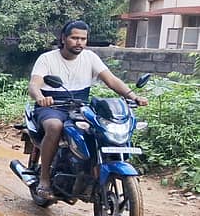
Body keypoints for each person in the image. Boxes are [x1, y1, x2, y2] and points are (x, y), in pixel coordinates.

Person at [28, 20, 149, 200]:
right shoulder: (47, 59)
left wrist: (133, 96)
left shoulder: (90, 57)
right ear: (63, 38)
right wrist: (40, 97)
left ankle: (89, 170)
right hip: (52, 106)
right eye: (74, 38)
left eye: (83, 39)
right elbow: (34, 84)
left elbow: (111, 80)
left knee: (98, 129)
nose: (79, 42)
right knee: (54, 126)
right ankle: (44, 179)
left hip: (80, 107)